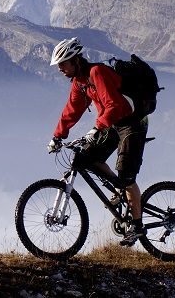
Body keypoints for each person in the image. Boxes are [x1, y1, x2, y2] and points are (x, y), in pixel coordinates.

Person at [47, 38, 149, 246]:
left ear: (75, 61)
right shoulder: (80, 82)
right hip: (111, 124)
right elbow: (72, 110)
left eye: (63, 64)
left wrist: (96, 128)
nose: (60, 69)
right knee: (88, 158)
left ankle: (137, 226)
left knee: (127, 175)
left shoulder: (97, 73)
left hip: (132, 122)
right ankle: (120, 190)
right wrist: (58, 135)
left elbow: (113, 105)